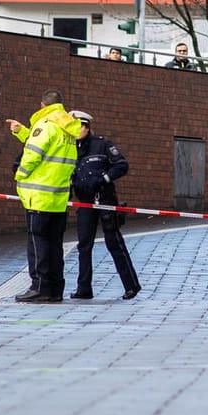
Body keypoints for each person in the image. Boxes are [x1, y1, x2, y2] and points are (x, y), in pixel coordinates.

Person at [6, 91, 85, 303]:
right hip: (57, 198)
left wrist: (19, 174)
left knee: (37, 243)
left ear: (42, 105)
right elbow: (46, 147)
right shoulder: (67, 129)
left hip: (38, 196)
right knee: (54, 244)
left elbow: (33, 153)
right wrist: (22, 132)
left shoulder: (46, 124)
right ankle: (55, 289)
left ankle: (39, 287)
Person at [68, 111, 142, 301]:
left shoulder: (102, 145)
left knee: (114, 243)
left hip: (104, 200)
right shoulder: (69, 148)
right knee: (84, 246)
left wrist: (104, 179)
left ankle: (131, 286)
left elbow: (121, 165)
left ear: (87, 127)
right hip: (85, 202)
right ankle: (84, 289)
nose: (76, 131)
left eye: (79, 127)